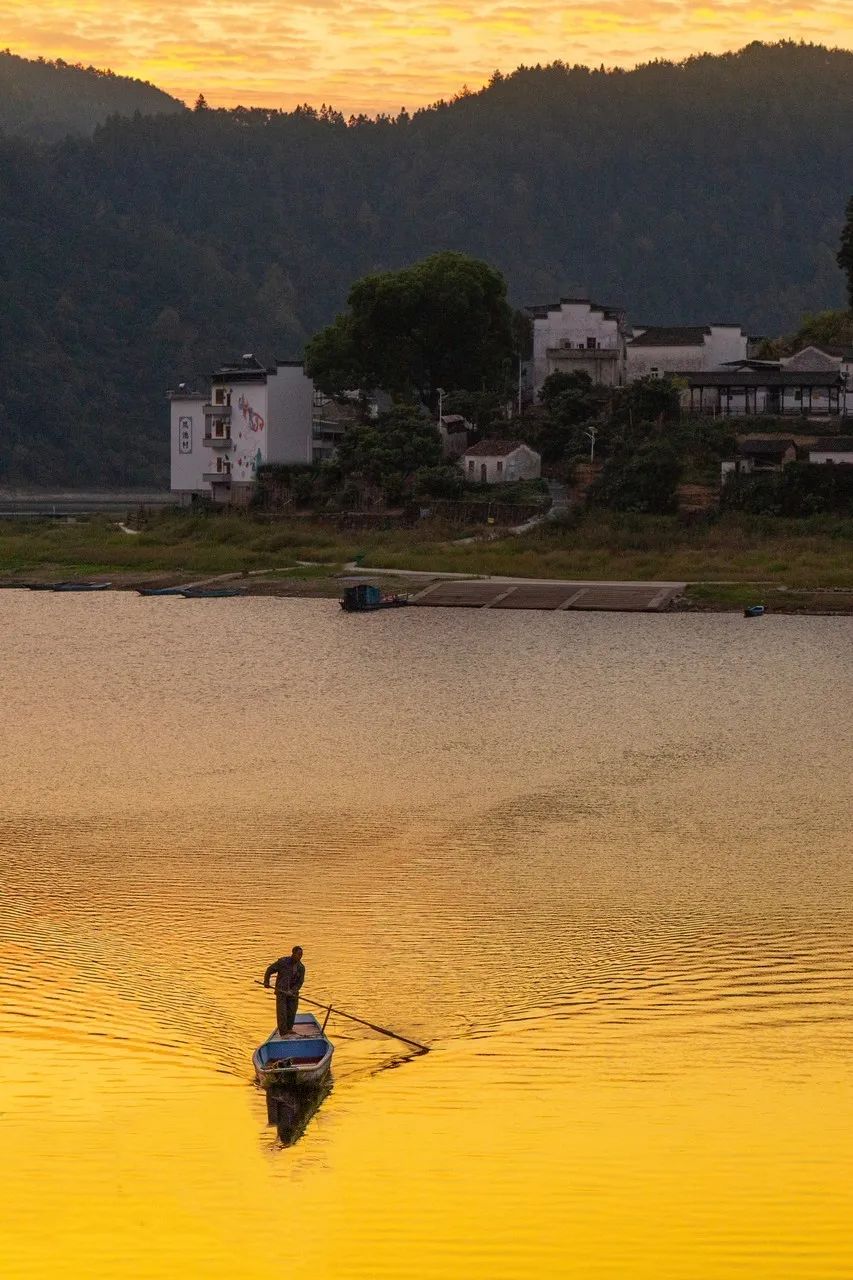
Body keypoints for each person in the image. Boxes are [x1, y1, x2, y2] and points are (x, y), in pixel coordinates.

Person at [263, 946, 305, 1035]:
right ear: (293, 954)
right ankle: (283, 1032)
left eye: (301, 955)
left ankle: (289, 1029)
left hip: (293, 994)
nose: (300, 956)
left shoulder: (301, 967)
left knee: (292, 1011)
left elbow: (300, 982)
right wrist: (266, 981)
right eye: (298, 954)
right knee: (282, 1012)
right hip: (281, 992)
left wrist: (293, 991)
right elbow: (269, 970)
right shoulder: (283, 962)